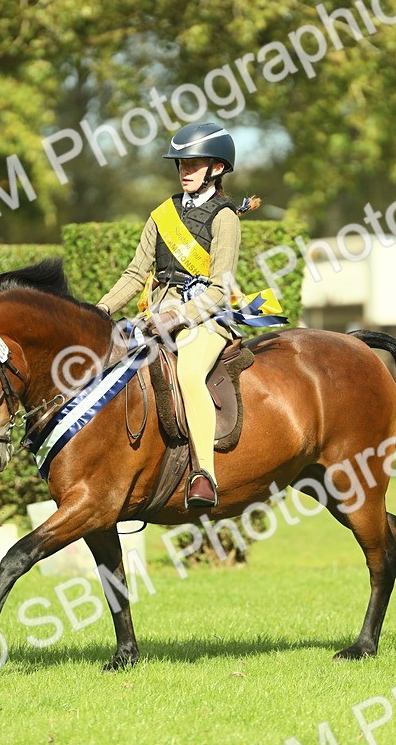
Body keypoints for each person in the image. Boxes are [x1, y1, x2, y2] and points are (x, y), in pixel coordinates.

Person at [96, 122, 254, 509]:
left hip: (206, 319)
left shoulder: (224, 218)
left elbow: (220, 289)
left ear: (217, 168)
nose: (184, 170)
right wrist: (99, 310)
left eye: (194, 163)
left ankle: (204, 474)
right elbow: (135, 274)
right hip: (156, 312)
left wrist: (178, 317)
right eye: (180, 163)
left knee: (187, 372)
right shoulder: (162, 214)